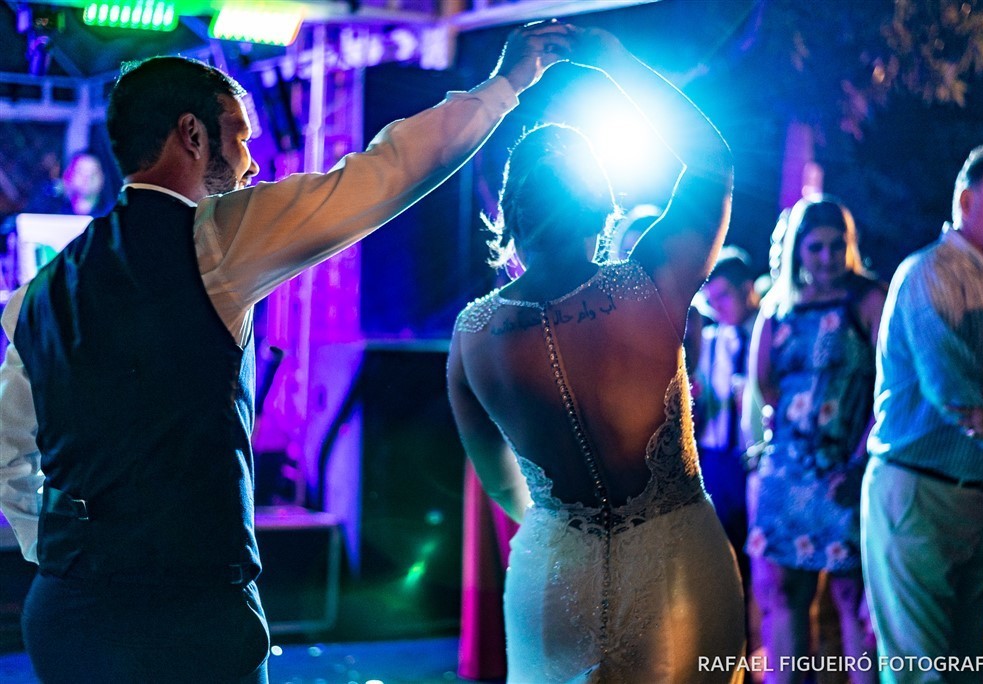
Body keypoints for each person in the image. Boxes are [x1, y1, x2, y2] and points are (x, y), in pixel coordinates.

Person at [0, 22, 571, 683]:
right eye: (240, 135)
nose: (251, 161)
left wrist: (59, 554)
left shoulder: (35, 293)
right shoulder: (219, 236)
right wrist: (506, 85)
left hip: (66, 614)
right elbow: (388, 173)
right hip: (188, 616)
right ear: (192, 135)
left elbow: (8, 453)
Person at [447, 26, 745, 682]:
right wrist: (618, 63)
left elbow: (499, 480)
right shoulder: (652, 286)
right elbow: (713, 162)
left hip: (553, 576)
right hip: (675, 570)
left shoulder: (473, 335)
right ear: (602, 209)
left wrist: (569, 532)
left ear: (510, 217)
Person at [863, 144, 983, 684]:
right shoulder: (930, 273)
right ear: (964, 201)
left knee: (966, 664)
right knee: (920, 670)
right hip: (921, 494)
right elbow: (958, 397)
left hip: (982, 496)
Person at [747, 196, 884, 684]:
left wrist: (860, 458)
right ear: (797, 251)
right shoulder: (778, 309)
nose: (827, 258)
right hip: (787, 470)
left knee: (852, 597)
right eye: (816, 247)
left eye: (837, 246)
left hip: (846, 470)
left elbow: (888, 388)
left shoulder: (867, 301)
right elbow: (764, 382)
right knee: (784, 596)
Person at [693, 246, 760, 577]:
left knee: (759, 562)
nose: (716, 307)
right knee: (720, 561)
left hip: (755, 460)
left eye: (723, 296)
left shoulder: (770, 332)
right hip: (715, 459)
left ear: (746, 289)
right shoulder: (707, 340)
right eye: (710, 299)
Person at [25, 151, 109, 217]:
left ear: (102, 177)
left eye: (93, 173)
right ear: (69, 174)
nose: (87, 178)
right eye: (80, 171)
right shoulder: (54, 210)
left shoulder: (109, 216)